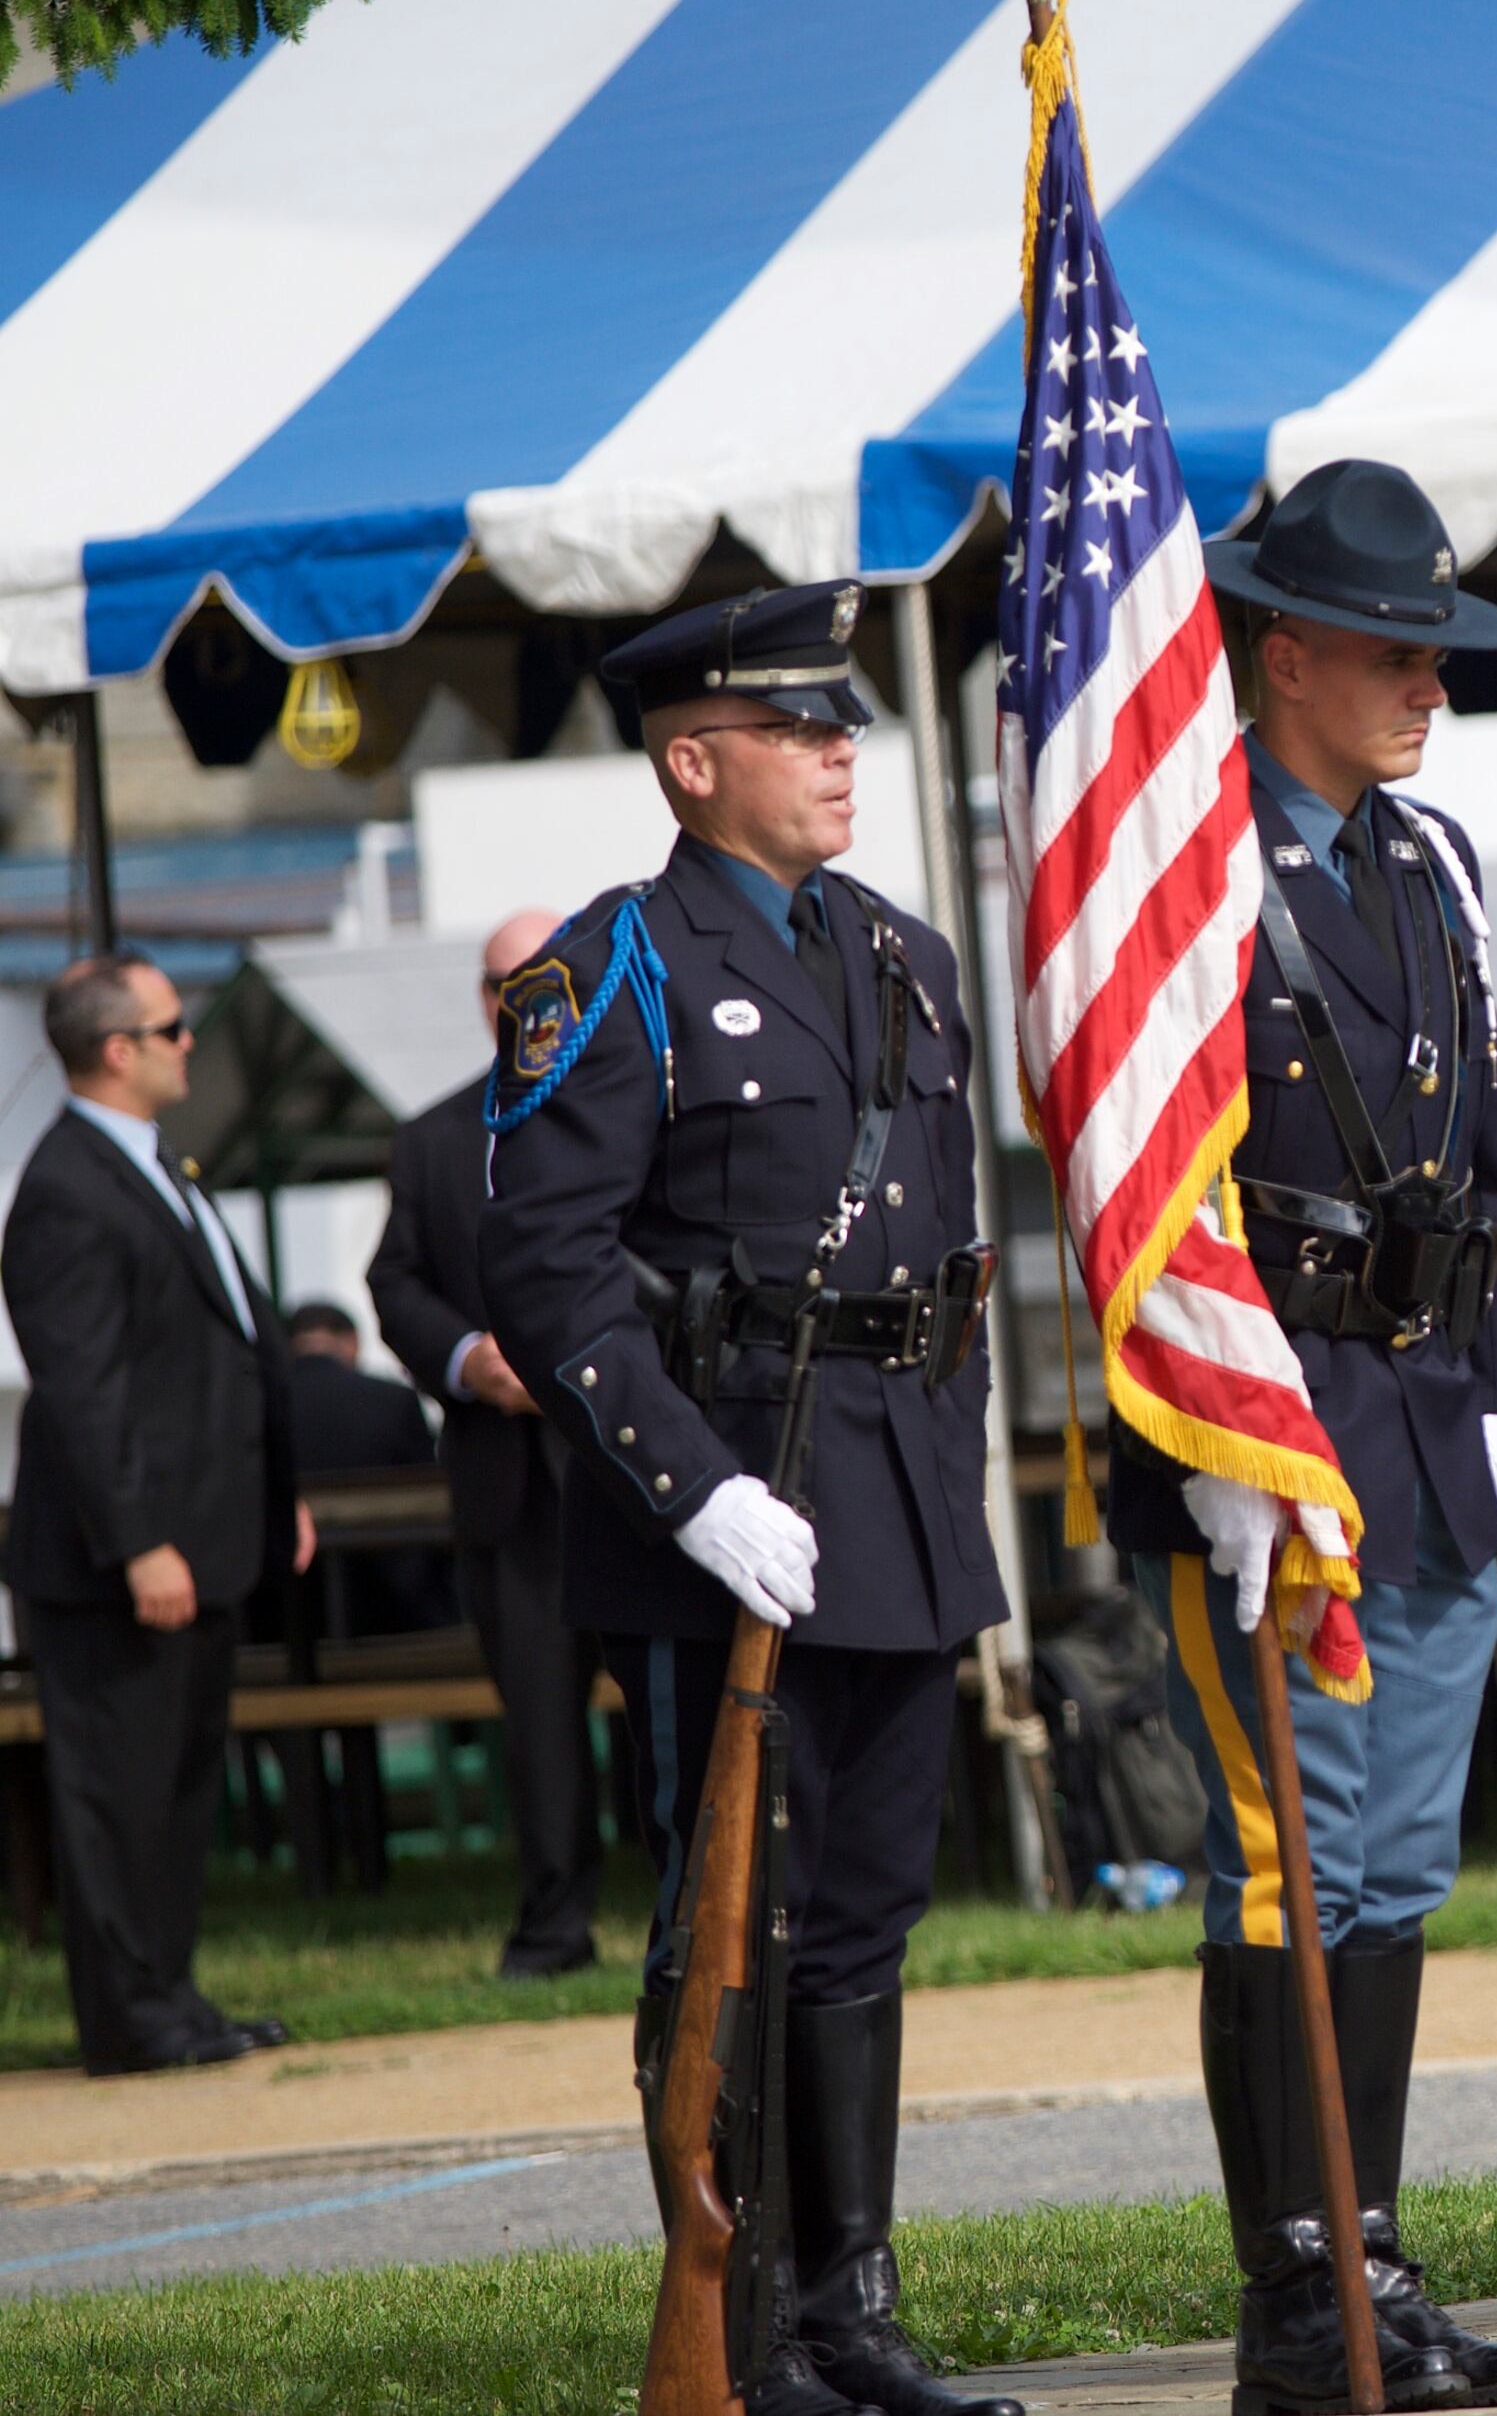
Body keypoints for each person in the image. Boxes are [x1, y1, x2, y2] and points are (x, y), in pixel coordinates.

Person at [477, 582, 1020, 2416]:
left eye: (844, 724)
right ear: (694, 762)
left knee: (866, 1909)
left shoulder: (905, 956)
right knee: (737, 1918)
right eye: (801, 731)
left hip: (898, 1491)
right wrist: (689, 1493)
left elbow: (952, 1249)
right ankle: (749, 2314)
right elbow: (545, 1273)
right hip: (736, 1505)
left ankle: (852, 2308)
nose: (840, 752)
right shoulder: (616, 962)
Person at [1097, 459, 1497, 2416]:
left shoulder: (1427, 860)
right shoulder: (1187, 873)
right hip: (1265, 1434)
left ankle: (1370, 2259)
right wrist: (1215, 1433)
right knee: (1292, 1866)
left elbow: (1483, 1163)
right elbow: (1142, 1172)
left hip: (1436, 1425)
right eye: (1392, 649)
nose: (1426, 685)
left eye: (1438, 653)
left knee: (1392, 1873)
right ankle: (1301, 2297)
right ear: (1282, 652)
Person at [0, 948, 310, 2073]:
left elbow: (221, 1352)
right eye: (174, 1027)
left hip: (202, 1533)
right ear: (119, 1048)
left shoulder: (151, 1167)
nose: (192, 1043)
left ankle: (168, 1997)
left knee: (177, 1786)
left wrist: (276, 1501)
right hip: (119, 1557)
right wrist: (139, 1542)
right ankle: (130, 2018)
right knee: (120, 1791)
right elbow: (85, 1390)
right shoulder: (68, 1189)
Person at [372, 908, 608, 1978]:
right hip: (510, 1489)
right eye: (499, 981)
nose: (521, 1000)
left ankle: (701, 1926)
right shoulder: (430, 1140)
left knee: (676, 1712)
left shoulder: (646, 1105)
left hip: (638, 1472)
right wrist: (472, 1359)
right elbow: (396, 1285)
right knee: (543, 1727)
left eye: (541, 977)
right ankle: (555, 1928)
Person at [261, 1302, 441, 1895]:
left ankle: (310, 1853)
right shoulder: (389, 1400)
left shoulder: (262, 1403)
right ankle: (365, 1851)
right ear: (351, 1343)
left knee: (293, 1706)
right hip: (388, 1617)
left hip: (276, 1631)